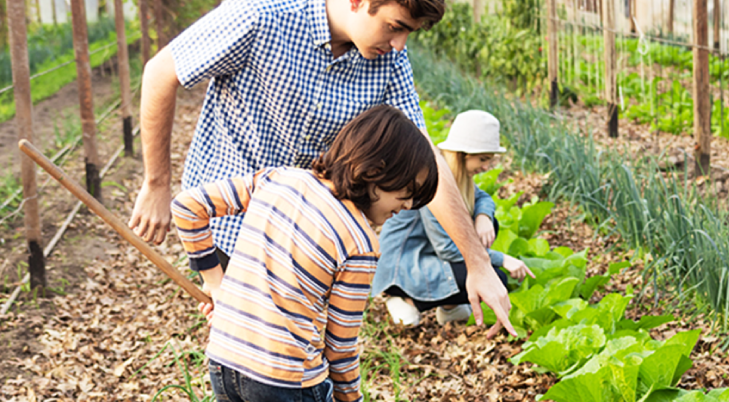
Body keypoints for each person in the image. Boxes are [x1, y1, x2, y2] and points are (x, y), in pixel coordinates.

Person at [129, 0, 517, 337]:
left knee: (296, 354)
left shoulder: (390, 62)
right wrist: (157, 184)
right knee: (255, 354)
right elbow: (162, 72)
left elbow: (424, 156)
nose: (399, 45)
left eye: (408, 34)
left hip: (306, 234)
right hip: (232, 224)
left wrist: (477, 262)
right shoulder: (261, 14)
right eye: (395, 27)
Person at [171, 106, 439, 402]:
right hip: (287, 378)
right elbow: (340, 345)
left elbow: (188, 207)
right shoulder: (360, 243)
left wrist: (215, 283)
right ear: (375, 170)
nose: (409, 204)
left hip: (225, 361)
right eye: (408, 190)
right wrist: (351, 398)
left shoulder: (278, 178)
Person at [371, 110, 535, 326]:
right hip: (404, 265)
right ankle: (406, 299)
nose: (487, 167)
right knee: (496, 276)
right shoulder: (434, 181)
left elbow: (481, 197)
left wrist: (484, 216)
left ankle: (448, 307)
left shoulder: (455, 174)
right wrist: (502, 258)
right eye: (483, 159)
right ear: (462, 154)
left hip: (429, 252)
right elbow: (447, 249)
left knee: (490, 228)